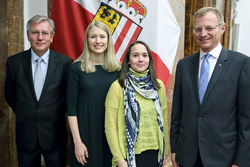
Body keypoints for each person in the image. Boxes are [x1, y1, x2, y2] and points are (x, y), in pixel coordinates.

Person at [170, 7, 250, 167]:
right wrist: (174, 149)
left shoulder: (241, 64)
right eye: (198, 29)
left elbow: (246, 117)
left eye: (209, 28)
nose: (203, 33)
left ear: (222, 28)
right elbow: (177, 112)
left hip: (223, 157)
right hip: (187, 156)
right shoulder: (184, 65)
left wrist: (241, 160)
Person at [4, 15, 73, 167]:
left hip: (55, 136)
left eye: (45, 33)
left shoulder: (65, 63)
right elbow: (9, 95)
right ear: (28, 35)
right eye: (35, 32)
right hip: (26, 135)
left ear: (52, 37)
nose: (40, 37)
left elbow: (68, 98)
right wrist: (27, 111)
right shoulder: (14, 62)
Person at [105, 40, 170, 167]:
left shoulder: (158, 86)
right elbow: (110, 127)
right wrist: (120, 160)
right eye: (135, 55)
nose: (141, 59)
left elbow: (164, 120)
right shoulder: (118, 87)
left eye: (144, 55)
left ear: (149, 60)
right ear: (128, 60)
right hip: (128, 157)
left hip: (155, 155)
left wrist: (166, 153)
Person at [66, 21, 121, 167]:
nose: (98, 41)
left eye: (102, 37)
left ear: (108, 40)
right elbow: (71, 110)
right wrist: (77, 142)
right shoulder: (76, 69)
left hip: (112, 137)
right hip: (85, 137)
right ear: (87, 40)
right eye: (93, 37)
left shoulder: (119, 70)